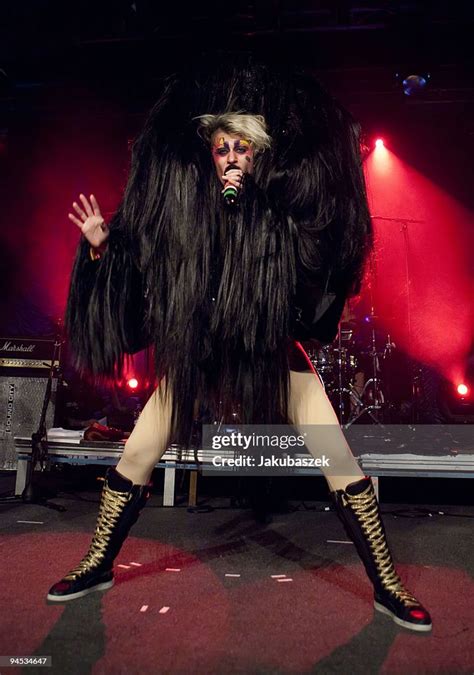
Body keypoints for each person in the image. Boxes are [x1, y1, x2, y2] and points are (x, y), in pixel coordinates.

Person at [46, 59, 431, 631]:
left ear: (258, 154)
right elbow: (143, 281)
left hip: (269, 352)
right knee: (137, 452)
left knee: (338, 460)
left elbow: (319, 263)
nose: (230, 157)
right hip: (201, 349)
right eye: (222, 147)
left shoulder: (280, 215)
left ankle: (387, 585)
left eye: (241, 149)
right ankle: (98, 562)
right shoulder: (187, 215)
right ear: (211, 151)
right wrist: (103, 249)